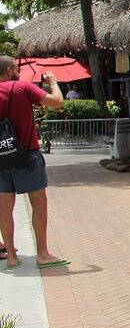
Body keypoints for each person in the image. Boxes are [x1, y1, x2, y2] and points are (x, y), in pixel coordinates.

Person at [0, 56, 69, 271]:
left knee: (4, 207)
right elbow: (57, 102)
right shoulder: (22, 87)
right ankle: (42, 254)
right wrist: (53, 82)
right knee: (39, 203)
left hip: (1, 156)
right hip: (27, 155)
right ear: (10, 69)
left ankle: (11, 256)